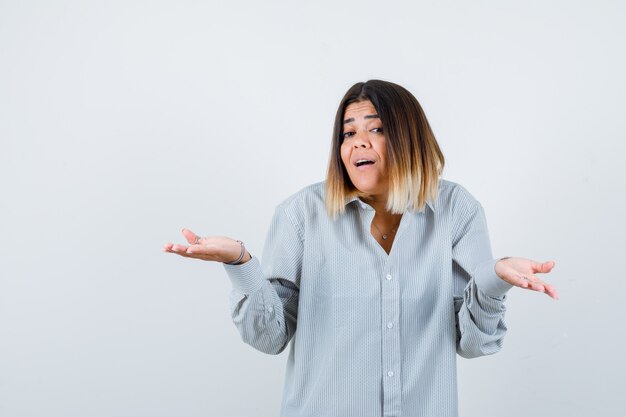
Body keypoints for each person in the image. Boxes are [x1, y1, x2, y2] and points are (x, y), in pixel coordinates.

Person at [163, 79, 558, 417]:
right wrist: (241, 262)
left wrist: (493, 279)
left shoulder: (457, 210)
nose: (358, 143)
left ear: (408, 137)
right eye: (348, 133)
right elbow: (270, 337)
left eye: (376, 129)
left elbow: (472, 343)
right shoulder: (301, 214)